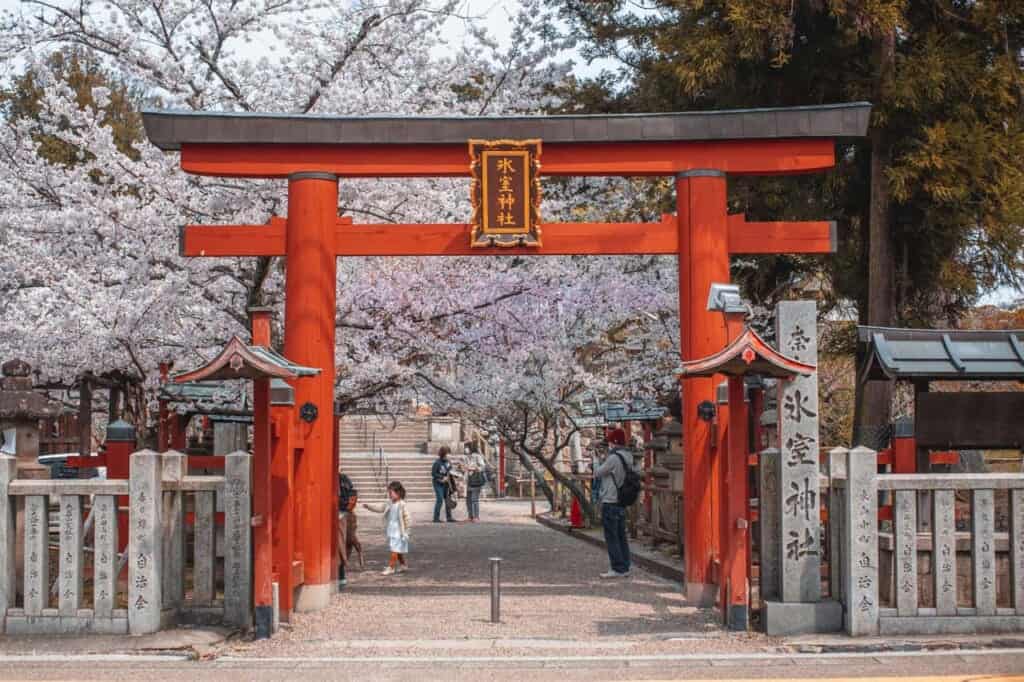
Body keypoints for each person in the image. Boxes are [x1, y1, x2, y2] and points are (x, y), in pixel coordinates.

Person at [593, 429, 632, 578]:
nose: (608, 445)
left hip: (610, 500)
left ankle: (617, 568)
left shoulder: (614, 458)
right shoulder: (627, 456)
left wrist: (596, 459)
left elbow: (598, 472)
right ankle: (625, 565)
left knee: (612, 537)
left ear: (614, 442)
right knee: (621, 535)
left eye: (609, 442)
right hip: (621, 500)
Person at [363, 481, 411, 576]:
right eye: (389, 493)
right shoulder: (389, 503)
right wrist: (369, 507)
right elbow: (380, 508)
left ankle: (391, 567)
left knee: (394, 548)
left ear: (398, 493)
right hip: (391, 529)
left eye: (391, 493)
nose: (390, 495)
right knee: (397, 548)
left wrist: (407, 531)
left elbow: (407, 518)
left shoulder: (402, 504)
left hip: (399, 530)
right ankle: (403, 565)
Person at [337, 473, 363, 589]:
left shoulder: (338, 479)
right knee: (345, 543)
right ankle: (341, 574)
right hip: (346, 514)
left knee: (341, 544)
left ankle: (341, 574)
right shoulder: (344, 479)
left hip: (340, 514)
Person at [463, 445, 487, 522]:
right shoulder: (466, 457)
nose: (466, 450)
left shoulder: (477, 456)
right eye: (465, 448)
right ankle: (470, 516)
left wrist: (474, 468)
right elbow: (465, 469)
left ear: (471, 449)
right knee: (468, 500)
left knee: (474, 499)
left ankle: (476, 517)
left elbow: (483, 467)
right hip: (468, 480)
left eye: (467, 448)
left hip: (476, 480)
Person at [431, 447, 455, 523]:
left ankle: (449, 517)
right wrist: (442, 477)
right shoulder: (437, 463)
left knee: (448, 500)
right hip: (438, 483)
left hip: (447, 484)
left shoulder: (448, 462)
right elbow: (433, 473)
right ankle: (436, 518)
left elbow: (450, 471)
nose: (449, 455)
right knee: (440, 499)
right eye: (448, 454)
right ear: (443, 454)